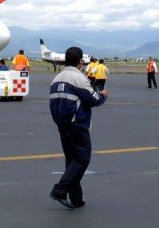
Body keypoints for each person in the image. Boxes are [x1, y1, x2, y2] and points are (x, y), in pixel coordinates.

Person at [49, 46, 108, 209]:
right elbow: (93, 99)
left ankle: (76, 197)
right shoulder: (78, 78)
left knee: (71, 160)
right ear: (80, 61)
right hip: (77, 124)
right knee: (82, 158)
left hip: (62, 125)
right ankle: (60, 190)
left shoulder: (56, 79)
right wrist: (103, 96)